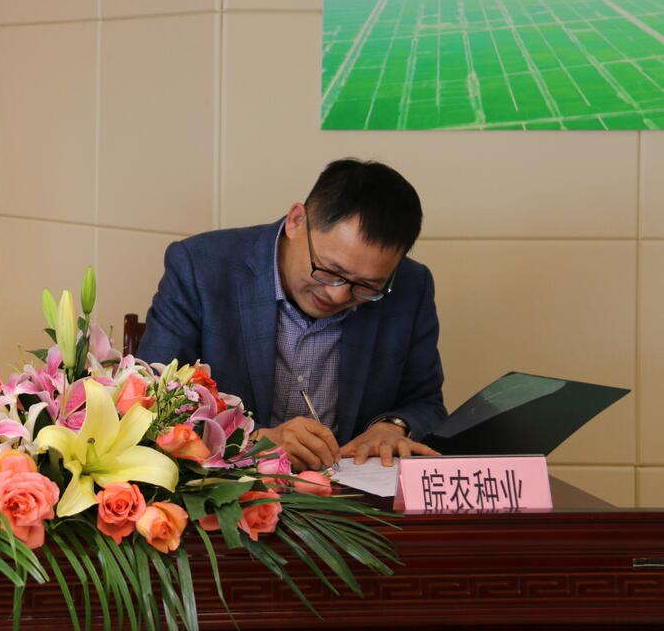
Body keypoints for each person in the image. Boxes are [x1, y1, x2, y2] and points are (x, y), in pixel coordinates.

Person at [138, 158, 444, 470]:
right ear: (297, 221)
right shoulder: (201, 267)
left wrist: (393, 427)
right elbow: (151, 400)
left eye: (367, 286)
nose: (338, 295)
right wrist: (255, 440)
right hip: (232, 485)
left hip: (349, 491)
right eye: (329, 271)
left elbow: (426, 403)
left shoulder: (411, 286)